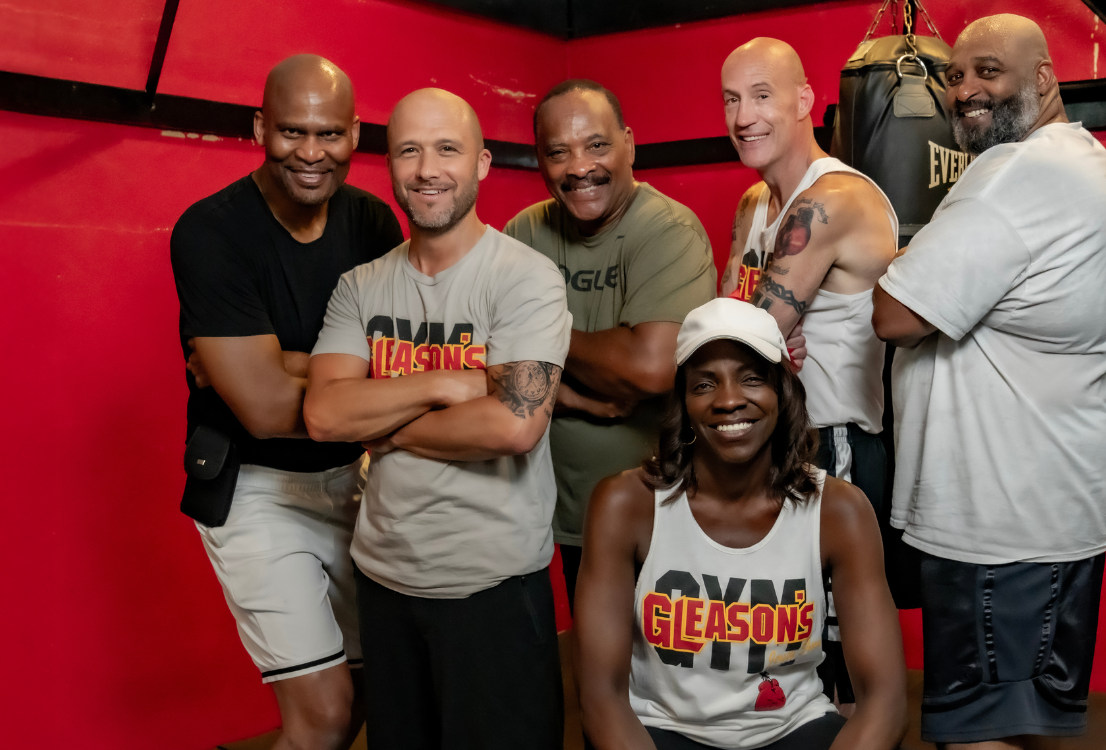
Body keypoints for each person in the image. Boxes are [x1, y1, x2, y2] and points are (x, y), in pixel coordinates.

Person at [872, 15, 1106, 748]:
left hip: (1002, 522)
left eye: (989, 71)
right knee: (1017, 720)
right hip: (1039, 510)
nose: (965, 91)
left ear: (1044, 79)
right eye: (954, 75)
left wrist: (898, 263)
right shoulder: (1082, 157)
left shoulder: (1020, 170)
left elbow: (895, 311)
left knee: (981, 730)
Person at [303, 88, 571, 750]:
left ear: (482, 163)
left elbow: (512, 426)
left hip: (493, 591)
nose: (428, 169)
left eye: (447, 149)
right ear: (389, 164)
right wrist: (448, 382)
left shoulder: (525, 279)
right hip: (386, 582)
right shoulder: (359, 286)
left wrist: (386, 425)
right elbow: (325, 413)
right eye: (409, 150)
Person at [169, 55, 402, 750]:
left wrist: (276, 362)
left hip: (356, 478)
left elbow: (406, 357)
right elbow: (265, 410)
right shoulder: (211, 231)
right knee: (324, 712)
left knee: (364, 695)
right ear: (259, 127)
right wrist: (366, 380)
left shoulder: (372, 222)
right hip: (255, 486)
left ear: (355, 134)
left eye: (328, 134)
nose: (310, 153)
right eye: (291, 132)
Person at [575, 298, 907, 750]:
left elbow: (884, 701)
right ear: (684, 401)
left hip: (792, 728)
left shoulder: (838, 511)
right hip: (664, 730)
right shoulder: (626, 504)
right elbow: (601, 697)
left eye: (752, 378)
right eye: (705, 383)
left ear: (782, 391)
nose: (729, 400)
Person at [719, 36, 899, 709]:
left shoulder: (835, 199)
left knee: (840, 659)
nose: (744, 117)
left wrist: (753, 336)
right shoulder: (753, 205)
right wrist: (753, 337)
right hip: (763, 445)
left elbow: (738, 342)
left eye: (761, 96)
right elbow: (724, 335)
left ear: (804, 102)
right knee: (780, 652)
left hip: (834, 448)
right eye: (732, 100)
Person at [505, 79, 716, 610]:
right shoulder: (523, 235)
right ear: (540, 160)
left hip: (651, 506)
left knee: (656, 675)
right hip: (542, 508)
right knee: (587, 665)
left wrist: (542, 332)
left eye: (596, 145)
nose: (579, 166)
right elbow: (490, 365)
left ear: (629, 145)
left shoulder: (668, 230)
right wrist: (580, 391)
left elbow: (649, 368)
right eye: (559, 152)